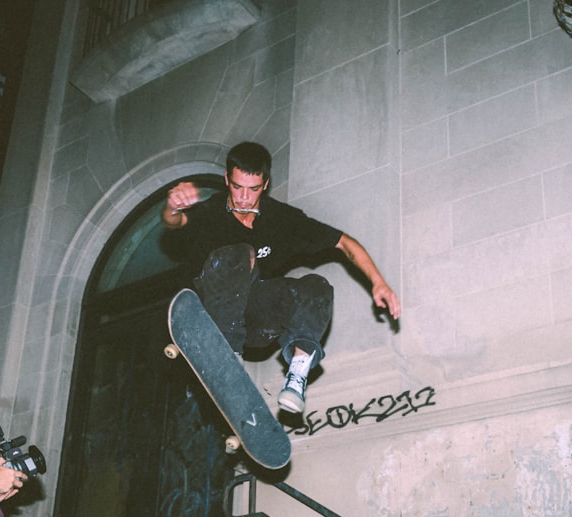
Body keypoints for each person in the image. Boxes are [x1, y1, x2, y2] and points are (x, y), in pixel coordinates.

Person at [162, 141, 401, 413]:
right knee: (242, 254)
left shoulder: (281, 219)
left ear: (264, 185)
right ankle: (226, 353)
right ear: (227, 180)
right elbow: (175, 222)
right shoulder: (209, 213)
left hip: (253, 320)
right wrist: (173, 206)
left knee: (317, 286)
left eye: (253, 189)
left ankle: (297, 374)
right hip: (208, 313)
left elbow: (344, 243)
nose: (243, 198)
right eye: (237, 187)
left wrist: (378, 282)